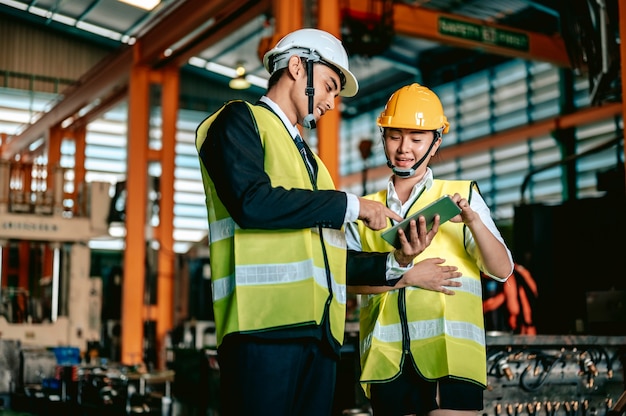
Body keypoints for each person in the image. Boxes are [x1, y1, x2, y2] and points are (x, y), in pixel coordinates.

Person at [194, 28, 403, 416]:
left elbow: (325, 256)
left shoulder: (315, 167)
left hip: (320, 335)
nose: (329, 102)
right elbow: (251, 203)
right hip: (261, 329)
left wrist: (399, 261)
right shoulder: (238, 121)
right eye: (327, 86)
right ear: (295, 66)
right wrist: (351, 206)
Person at [345, 83, 515, 416]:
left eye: (416, 138)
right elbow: (346, 279)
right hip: (388, 363)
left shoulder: (459, 196)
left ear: (435, 142)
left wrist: (474, 222)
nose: (403, 148)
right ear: (383, 138)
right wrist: (410, 276)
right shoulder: (365, 209)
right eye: (394, 136)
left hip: (451, 360)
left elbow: (502, 269)